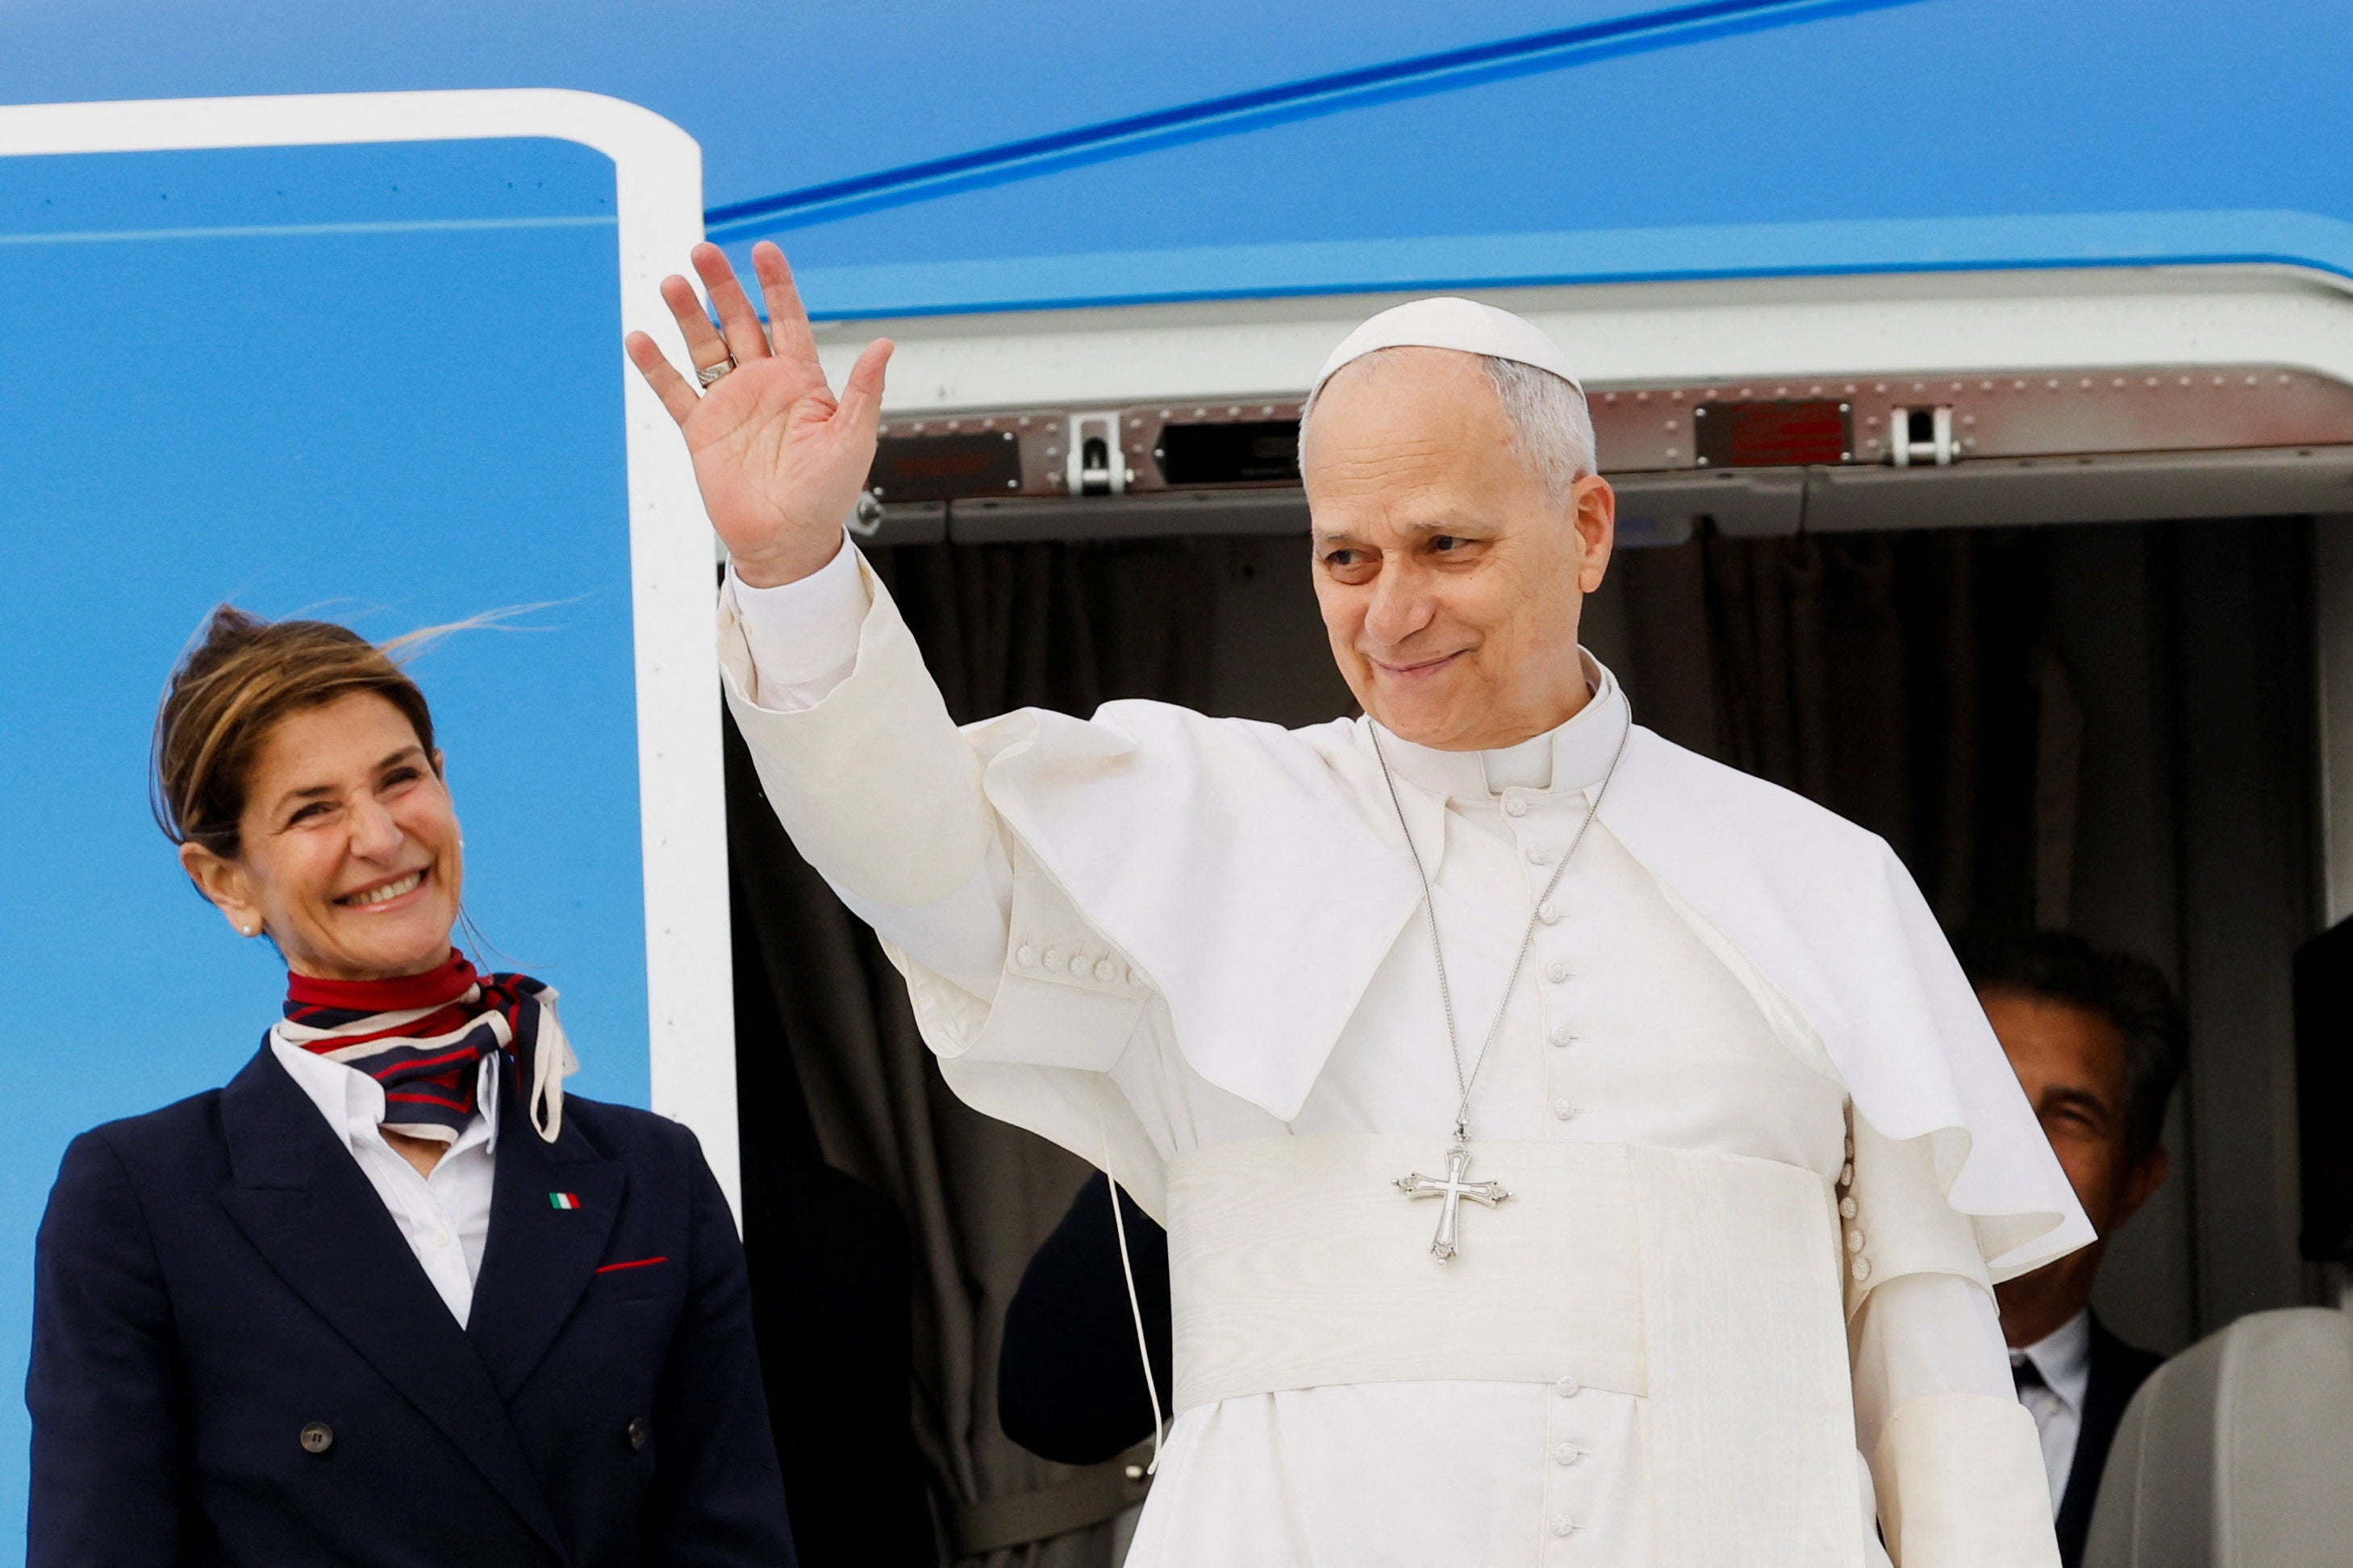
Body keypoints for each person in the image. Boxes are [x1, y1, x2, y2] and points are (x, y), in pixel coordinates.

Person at [628, 240, 2092, 1567]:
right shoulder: (1199, 818)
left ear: (1585, 528)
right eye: (1348, 555)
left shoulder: (1816, 879)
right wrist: (790, 568)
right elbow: (916, 864)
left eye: (1447, 545)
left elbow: (1936, 1383)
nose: (1392, 611)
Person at [27, 608, 797, 1568]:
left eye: (401, 779)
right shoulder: (142, 1196)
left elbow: (732, 1542)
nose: (382, 835)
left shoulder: (650, 1173)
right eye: (313, 810)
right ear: (226, 881)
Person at [1967, 932, 2186, 1568]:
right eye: (1985, 1100)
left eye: (2068, 1116)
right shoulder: (1804, 1386)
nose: (2015, 1148)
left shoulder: (2182, 1426)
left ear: (2136, 1182)